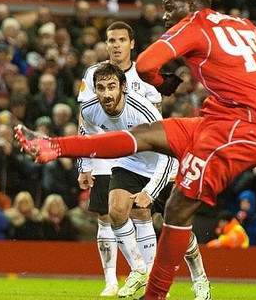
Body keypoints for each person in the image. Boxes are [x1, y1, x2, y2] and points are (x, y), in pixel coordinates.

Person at [16, 0, 256, 300]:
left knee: (177, 209)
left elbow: (145, 65)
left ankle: (155, 295)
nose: (166, 14)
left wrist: (161, 80)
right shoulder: (241, 24)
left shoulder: (194, 25)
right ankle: (54, 146)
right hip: (217, 119)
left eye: (170, 7)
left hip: (243, 128)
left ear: (193, 5)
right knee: (141, 136)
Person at [77, 62, 209, 299]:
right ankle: (139, 269)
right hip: (129, 163)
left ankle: (200, 279)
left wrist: (150, 190)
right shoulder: (89, 110)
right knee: (116, 211)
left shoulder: (143, 110)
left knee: (179, 228)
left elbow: (167, 155)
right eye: (100, 88)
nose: (106, 94)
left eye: (111, 87)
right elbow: (86, 135)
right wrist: (84, 167)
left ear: (123, 87)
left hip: (165, 164)